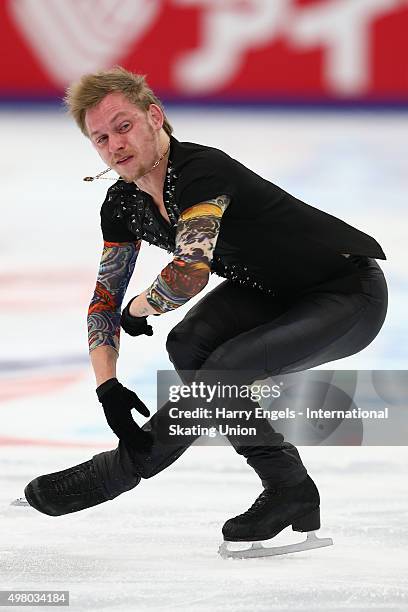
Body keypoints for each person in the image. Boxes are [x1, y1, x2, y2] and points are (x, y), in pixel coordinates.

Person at [23, 67, 387, 554]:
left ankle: (127, 468)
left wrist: (139, 308)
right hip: (273, 290)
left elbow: (190, 271)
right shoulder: (122, 204)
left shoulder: (200, 170)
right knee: (188, 346)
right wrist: (107, 385)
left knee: (225, 368)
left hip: (347, 292)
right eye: (101, 138)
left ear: (155, 117)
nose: (115, 145)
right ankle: (288, 488)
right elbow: (103, 300)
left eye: (124, 125)